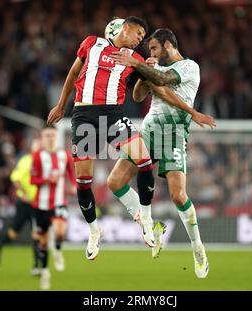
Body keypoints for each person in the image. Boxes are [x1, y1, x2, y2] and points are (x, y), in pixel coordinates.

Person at [47, 16, 157, 261]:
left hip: (112, 115)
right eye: (139, 34)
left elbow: (143, 90)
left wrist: (147, 68)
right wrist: (60, 104)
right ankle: (94, 231)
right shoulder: (92, 43)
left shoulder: (135, 59)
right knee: (83, 181)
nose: (140, 40)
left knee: (145, 161)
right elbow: (74, 72)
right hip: (84, 115)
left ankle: (146, 218)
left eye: (143, 37)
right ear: (125, 28)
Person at [108, 28, 214, 278]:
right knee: (114, 181)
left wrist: (140, 65)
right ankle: (150, 225)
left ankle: (197, 247)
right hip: (148, 130)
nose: (151, 53)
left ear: (168, 45)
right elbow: (136, 95)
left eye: (154, 48)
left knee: (178, 196)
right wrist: (143, 71)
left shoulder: (189, 67)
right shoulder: (153, 68)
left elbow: (165, 82)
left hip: (173, 132)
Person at [30, 126, 76, 290]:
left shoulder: (64, 154)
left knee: (60, 231)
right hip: (41, 205)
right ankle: (44, 272)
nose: (50, 138)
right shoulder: (37, 156)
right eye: (47, 135)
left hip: (59, 202)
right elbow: (32, 180)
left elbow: (71, 172)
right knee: (42, 242)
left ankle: (57, 250)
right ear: (42, 138)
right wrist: (48, 180)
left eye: (52, 135)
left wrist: (73, 185)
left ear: (56, 136)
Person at [0, 138, 42, 276]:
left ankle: (36, 266)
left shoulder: (43, 162)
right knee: (14, 233)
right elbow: (15, 178)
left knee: (37, 233)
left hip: (37, 204)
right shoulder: (26, 161)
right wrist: (24, 193)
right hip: (24, 204)